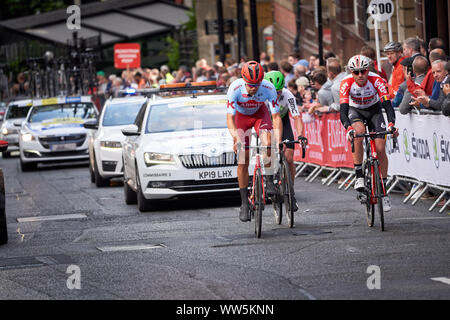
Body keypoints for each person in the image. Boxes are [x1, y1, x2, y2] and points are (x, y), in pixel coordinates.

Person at [339, 55, 398, 211]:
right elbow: (343, 112)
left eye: (363, 71)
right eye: (356, 72)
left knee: (380, 148)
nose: (360, 75)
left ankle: (383, 191)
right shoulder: (346, 83)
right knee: (358, 133)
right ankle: (359, 175)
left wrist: (392, 124)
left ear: (368, 70)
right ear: (351, 72)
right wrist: (348, 128)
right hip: (355, 110)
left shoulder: (376, 80)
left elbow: (388, 105)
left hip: (374, 110)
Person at [226, 61, 283, 222]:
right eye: (250, 84)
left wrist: (277, 138)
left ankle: (270, 180)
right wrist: (236, 138)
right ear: (244, 80)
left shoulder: (268, 88)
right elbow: (229, 118)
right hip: (242, 117)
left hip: (260, 114)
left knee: (268, 140)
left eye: (257, 84)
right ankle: (244, 202)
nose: (254, 87)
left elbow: (276, 116)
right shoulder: (235, 88)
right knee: (243, 160)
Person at [264, 71, 305, 211]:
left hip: (283, 121)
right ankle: (269, 178)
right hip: (267, 122)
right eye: (274, 91)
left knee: (289, 157)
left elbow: (297, 117)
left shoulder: (288, 95)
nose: (277, 94)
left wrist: (300, 135)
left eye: (279, 91)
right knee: (268, 147)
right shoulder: (262, 96)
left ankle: (290, 192)